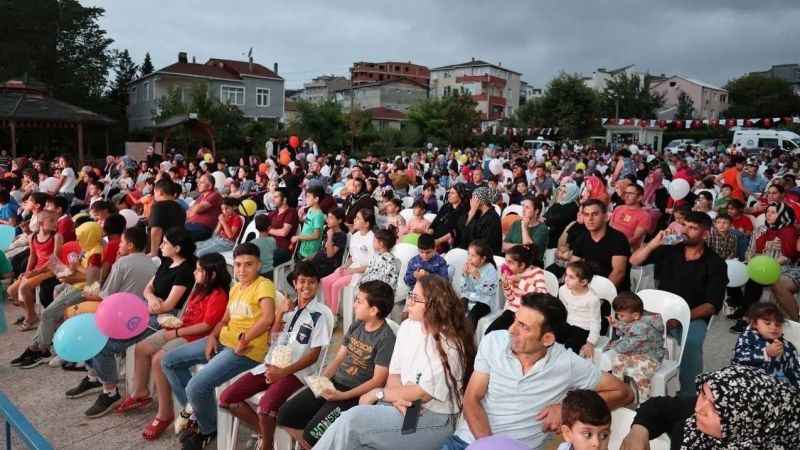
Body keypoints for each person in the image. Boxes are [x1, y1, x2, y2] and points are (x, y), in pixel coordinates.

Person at [439, 293, 632, 450]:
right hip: (467, 440)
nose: (511, 330)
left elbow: (624, 393)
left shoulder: (567, 363)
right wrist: (490, 446)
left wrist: (566, 410)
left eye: (523, 327)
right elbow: (472, 398)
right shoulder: (494, 342)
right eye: (515, 320)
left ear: (547, 339)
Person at [313, 275, 475, 450]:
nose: (408, 302)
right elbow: (394, 374)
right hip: (406, 404)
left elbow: (422, 394)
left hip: (433, 417)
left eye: (415, 298)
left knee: (353, 420)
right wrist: (396, 399)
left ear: (433, 305)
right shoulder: (408, 327)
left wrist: (379, 394)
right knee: (356, 441)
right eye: (410, 295)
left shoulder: (449, 344)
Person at [65, 227, 195, 418]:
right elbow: (147, 289)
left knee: (102, 345)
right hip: (144, 309)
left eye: (165, 243)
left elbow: (168, 305)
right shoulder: (166, 263)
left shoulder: (185, 271)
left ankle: (110, 392)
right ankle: (97, 377)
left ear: (177, 248)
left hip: (161, 319)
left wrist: (152, 303)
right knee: (95, 330)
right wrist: (151, 299)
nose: (160, 245)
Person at [161, 243, 275, 450]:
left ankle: (208, 428)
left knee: (196, 386)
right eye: (238, 265)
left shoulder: (263, 285)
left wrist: (245, 339)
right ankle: (199, 414)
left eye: (248, 264)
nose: (242, 270)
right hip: (222, 342)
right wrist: (213, 336)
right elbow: (224, 320)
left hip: (245, 351)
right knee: (169, 361)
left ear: (258, 265)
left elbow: (267, 319)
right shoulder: (236, 288)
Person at [219, 261, 333, 450]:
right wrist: (280, 314)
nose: (306, 286)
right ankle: (266, 434)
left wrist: (282, 372)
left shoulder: (320, 315)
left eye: (311, 282)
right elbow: (272, 340)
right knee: (227, 398)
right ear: (295, 283)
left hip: (296, 373)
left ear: (318, 284)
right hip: (270, 365)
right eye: (302, 281)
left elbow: (313, 356)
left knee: (265, 408)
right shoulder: (289, 308)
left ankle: (267, 445)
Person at [119, 253, 230, 440]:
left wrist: (176, 332)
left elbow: (206, 326)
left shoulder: (218, 295)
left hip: (194, 336)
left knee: (159, 360)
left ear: (211, 274)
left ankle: (165, 413)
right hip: (180, 328)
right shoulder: (199, 287)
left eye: (199, 270)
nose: (195, 272)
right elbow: (188, 313)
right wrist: (173, 323)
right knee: (142, 348)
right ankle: (141, 392)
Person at [276, 280, 396, 448]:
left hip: (354, 395)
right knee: (284, 415)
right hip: (334, 383)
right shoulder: (357, 325)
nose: (354, 305)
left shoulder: (386, 339)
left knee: (312, 434)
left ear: (373, 310)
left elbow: (378, 381)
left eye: (359, 301)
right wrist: (322, 381)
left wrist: (342, 396)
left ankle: (317, 444)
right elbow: (339, 358)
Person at [629, 211, 727, 396]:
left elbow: (712, 305)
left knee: (691, 344)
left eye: (693, 228)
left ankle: (689, 397)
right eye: (685, 226)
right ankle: (636, 384)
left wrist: (681, 318)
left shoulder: (716, 263)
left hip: (692, 316)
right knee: (630, 330)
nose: (686, 231)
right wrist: (654, 243)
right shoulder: (670, 250)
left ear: (705, 234)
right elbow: (634, 260)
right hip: (659, 312)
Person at [619, 365, 800, 450]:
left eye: (715, 409)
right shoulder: (718, 405)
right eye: (703, 394)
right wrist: (638, 432)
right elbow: (659, 406)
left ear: (747, 424)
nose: (699, 408)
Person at [729, 202, 797, 331]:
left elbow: (788, 257)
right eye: (767, 212)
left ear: (782, 215)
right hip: (757, 264)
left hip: (779, 267)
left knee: (756, 278)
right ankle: (741, 307)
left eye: (773, 212)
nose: (768, 215)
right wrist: (753, 261)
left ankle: (746, 316)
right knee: (735, 271)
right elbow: (749, 252)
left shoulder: (788, 232)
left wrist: (766, 264)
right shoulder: (760, 230)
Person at [606, 292, 665, 403]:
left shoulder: (643, 327)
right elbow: (629, 327)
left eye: (621, 316)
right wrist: (617, 324)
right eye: (617, 315)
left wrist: (614, 345)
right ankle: (620, 392)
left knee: (639, 373)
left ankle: (644, 402)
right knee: (617, 362)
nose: (618, 317)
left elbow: (628, 344)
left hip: (651, 356)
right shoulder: (635, 320)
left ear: (635, 316)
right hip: (637, 352)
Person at [7, 210, 60, 330]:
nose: (55, 223)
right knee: (11, 291)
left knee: (24, 288)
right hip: (38, 270)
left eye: (56, 221)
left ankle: (30, 317)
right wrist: (27, 271)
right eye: (51, 221)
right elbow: (32, 256)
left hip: (51, 270)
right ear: (41, 223)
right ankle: (31, 314)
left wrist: (37, 271)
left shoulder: (57, 237)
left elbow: (55, 259)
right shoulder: (33, 237)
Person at [731, 302, 799, 389]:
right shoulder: (748, 337)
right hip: (745, 380)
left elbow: (794, 370)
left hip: (771, 387)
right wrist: (765, 353)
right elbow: (739, 357)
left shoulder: (788, 347)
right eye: (767, 323)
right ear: (755, 323)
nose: (774, 327)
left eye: (778, 325)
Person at [568, 199, 632, 291]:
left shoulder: (618, 239)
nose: (590, 219)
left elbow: (619, 273)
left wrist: (601, 294)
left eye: (595, 214)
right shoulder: (582, 238)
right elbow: (573, 266)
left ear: (606, 217)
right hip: (587, 287)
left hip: (614, 292)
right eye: (586, 215)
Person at [321, 208, 375, 313]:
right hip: (352, 268)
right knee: (325, 281)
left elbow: (372, 265)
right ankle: (328, 311)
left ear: (366, 224)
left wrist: (352, 270)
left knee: (336, 285)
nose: (354, 220)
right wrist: (344, 266)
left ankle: (333, 314)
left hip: (363, 272)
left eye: (358, 218)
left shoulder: (372, 239)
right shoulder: (355, 236)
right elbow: (352, 257)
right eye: (355, 217)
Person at [486, 245, 548, 333]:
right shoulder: (511, 274)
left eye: (510, 262)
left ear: (522, 265)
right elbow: (511, 300)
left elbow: (543, 294)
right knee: (491, 332)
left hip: (530, 312)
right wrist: (506, 286)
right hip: (513, 311)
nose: (505, 265)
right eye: (505, 261)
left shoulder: (536, 272)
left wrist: (521, 283)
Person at [558, 261, 601, 358]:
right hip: (568, 323)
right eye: (566, 275)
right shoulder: (563, 290)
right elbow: (563, 310)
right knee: (550, 336)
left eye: (571, 277)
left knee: (570, 347)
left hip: (584, 328)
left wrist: (590, 343)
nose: (566, 279)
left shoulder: (592, 299)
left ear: (583, 282)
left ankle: (568, 364)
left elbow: (595, 322)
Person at [459, 240, 498, 328]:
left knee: (472, 317)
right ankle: (454, 333)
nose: (469, 258)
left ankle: (467, 335)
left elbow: (487, 291)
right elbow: (464, 289)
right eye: (468, 254)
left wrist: (477, 277)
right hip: (470, 297)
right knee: (457, 310)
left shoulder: (490, 269)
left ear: (483, 259)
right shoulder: (468, 266)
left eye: (473, 256)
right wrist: (465, 276)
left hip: (484, 301)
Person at [149, 179, 186, 257]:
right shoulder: (181, 208)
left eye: (154, 192)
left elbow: (156, 230)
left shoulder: (158, 206)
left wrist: (153, 252)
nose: (154, 195)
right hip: (175, 250)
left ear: (160, 192)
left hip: (161, 250)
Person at [463, 186, 502, 256]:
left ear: (481, 200)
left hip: (485, 254)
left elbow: (482, 243)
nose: (471, 200)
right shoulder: (477, 214)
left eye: (473, 198)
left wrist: (472, 212)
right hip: (472, 250)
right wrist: (471, 212)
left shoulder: (492, 218)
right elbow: (463, 234)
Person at [609, 183, 650, 249]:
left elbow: (635, 239)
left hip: (624, 248)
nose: (626, 196)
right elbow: (609, 228)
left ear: (639, 197)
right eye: (626, 193)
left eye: (630, 193)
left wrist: (614, 245)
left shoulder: (644, 216)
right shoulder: (618, 208)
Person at [429, 184, 468, 253]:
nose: (449, 195)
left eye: (452, 193)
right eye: (449, 192)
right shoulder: (445, 206)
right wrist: (429, 233)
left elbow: (456, 232)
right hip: (434, 239)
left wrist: (438, 241)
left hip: (448, 243)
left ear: (461, 195)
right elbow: (434, 223)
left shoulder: (465, 211)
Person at [185, 174, 222, 242]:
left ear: (210, 186)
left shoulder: (215, 195)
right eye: (198, 182)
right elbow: (188, 213)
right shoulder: (201, 196)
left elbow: (198, 209)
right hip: (190, 225)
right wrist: (193, 209)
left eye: (201, 182)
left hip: (202, 227)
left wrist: (194, 209)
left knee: (179, 237)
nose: (198, 184)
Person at [292, 186, 325, 260]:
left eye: (308, 197)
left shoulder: (318, 215)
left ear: (316, 199)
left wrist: (298, 237)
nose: (306, 199)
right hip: (304, 247)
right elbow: (309, 223)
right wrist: (300, 219)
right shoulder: (310, 209)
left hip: (310, 250)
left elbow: (316, 235)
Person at [266, 189, 298, 266]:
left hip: (283, 248)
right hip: (270, 244)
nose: (273, 199)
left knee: (262, 258)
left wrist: (269, 230)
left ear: (284, 200)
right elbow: (264, 226)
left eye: (276, 197)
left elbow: (284, 232)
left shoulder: (291, 212)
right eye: (273, 197)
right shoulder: (273, 213)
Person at [545, 182, 580, 250]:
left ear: (571, 194)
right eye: (560, 190)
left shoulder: (572, 208)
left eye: (564, 192)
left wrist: (544, 220)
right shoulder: (560, 203)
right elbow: (546, 217)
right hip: (550, 237)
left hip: (557, 244)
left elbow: (554, 221)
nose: (560, 193)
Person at [250, 214, 277, 278]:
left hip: (257, 273)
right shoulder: (273, 240)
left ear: (256, 228)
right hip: (271, 272)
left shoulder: (252, 243)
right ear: (269, 227)